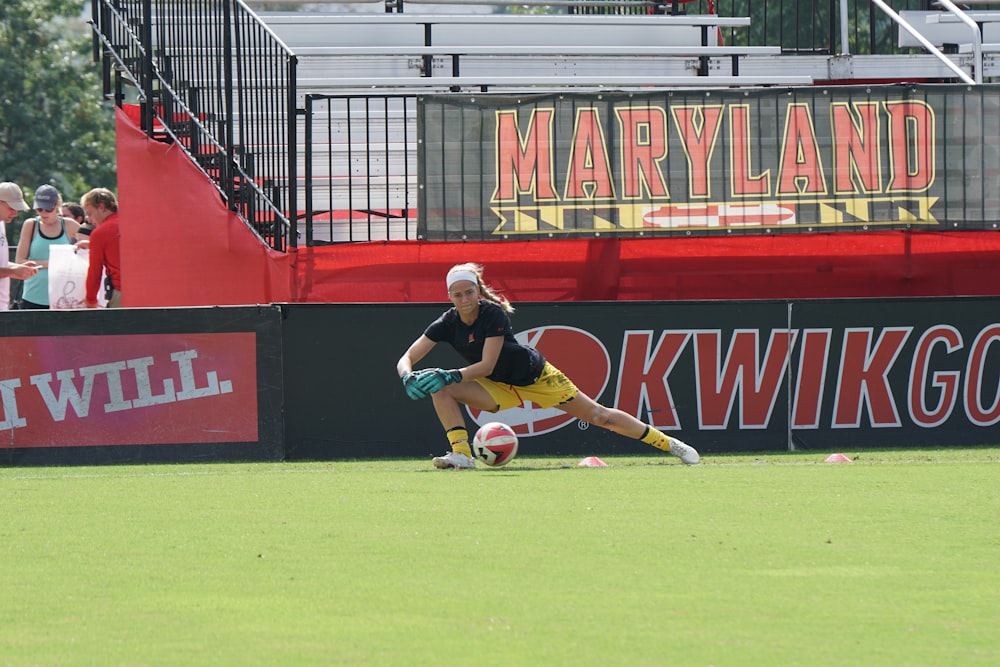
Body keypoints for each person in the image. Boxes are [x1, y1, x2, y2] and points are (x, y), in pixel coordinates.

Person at [396, 262, 701, 469]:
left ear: (478, 291)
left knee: (598, 415)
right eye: (458, 294)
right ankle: (461, 456)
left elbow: (487, 363)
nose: (464, 299)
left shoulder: (493, 314)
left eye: (469, 292)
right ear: (449, 296)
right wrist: (408, 376)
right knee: (442, 391)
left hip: (537, 377)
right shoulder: (447, 322)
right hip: (498, 386)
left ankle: (669, 444)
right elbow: (407, 356)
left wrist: (449, 374)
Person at [15, 185, 81, 309]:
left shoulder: (70, 225)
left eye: (48, 209)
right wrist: (55, 262)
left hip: (64, 296)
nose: (43, 213)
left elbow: (91, 250)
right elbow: (20, 261)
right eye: (39, 209)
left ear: (57, 205)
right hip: (33, 296)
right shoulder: (31, 225)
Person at [0, 182, 41, 311]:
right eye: (11, 207)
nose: (15, 213)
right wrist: (12, 271)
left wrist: (18, 268)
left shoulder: (1, 224)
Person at [79, 187, 121, 308]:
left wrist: (90, 300)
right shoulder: (132, 222)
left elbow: (95, 272)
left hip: (121, 293)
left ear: (102, 207)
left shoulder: (100, 233)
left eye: (90, 214)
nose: (89, 220)